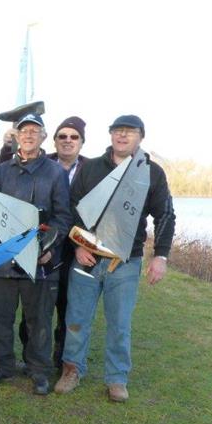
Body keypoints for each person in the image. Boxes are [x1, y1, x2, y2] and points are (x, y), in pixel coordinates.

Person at [54, 115, 175, 402]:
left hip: (125, 262)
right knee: (76, 318)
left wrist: (161, 256)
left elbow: (165, 215)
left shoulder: (151, 173)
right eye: (117, 131)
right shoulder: (91, 168)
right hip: (86, 258)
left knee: (119, 323)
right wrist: (77, 246)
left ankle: (117, 378)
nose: (122, 136)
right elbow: (72, 210)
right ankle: (71, 369)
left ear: (140, 137)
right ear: (110, 135)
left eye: (129, 132)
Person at [0, 112, 72, 395]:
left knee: (39, 320)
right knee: (1, 317)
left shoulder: (56, 173)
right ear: (16, 136)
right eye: (24, 131)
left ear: (44, 136)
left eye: (35, 131)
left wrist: (46, 247)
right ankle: (2, 366)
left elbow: (62, 217)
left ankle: (39, 370)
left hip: (40, 262)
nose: (29, 135)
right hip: (3, 261)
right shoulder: (2, 171)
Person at [17, 116, 90, 370]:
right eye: (62, 136)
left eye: (74, 137)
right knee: (34, 305)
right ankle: (30, 356)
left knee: (68, 306)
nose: (67, 141)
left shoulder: (91, 169)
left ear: (81, 142)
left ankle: (62, 357)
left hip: (77, 250)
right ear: (54, 140)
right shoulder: (41, 163)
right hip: (44, 247)